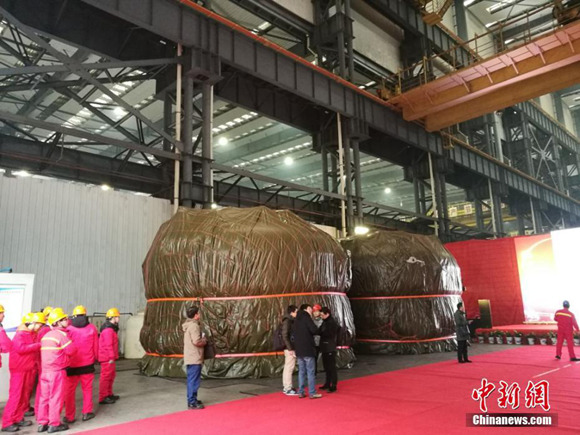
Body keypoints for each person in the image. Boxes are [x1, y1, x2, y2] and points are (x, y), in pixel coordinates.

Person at [37, 308, 77, 433]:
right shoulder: (61, 335)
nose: (67, 321)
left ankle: (42, 423)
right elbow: (72, 350)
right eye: (65, 319)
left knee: (44, 397)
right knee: (56, 397)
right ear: (58, 322)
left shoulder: (46, 336)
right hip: (57, 371)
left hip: (45, 371)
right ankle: (54, 424)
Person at [1, 313, 42, 433]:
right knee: (16, 396)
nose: (39, 326)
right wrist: (38, 345)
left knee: (24, 396)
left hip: (28, 368)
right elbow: (20, 349)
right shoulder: (20, 335)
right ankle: (7, 422)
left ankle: (18, 418)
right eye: (37, 324)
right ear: (30, 323)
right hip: (19, 370)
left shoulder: (31, 334)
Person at [63, 306, 98, 423]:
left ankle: (69, 416)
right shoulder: (92, 328)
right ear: (85, 315)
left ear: (73, 315)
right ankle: (87, 413)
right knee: (87, 389)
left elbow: (66, 347)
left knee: (69, 391)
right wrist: (96, 358)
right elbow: (96, 346)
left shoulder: (69, 329)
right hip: (87, 364)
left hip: (72, 364)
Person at [292, 304, 322, 399]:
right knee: (310, 371)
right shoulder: (307, 318)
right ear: (306, 309)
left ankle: (301, 392)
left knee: (301, 371)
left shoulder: (296, 320)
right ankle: (312, 393)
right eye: (310, 309)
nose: (311, 311)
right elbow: (314, 330)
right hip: (308, 348)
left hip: (299, 350)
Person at [183, 305, 207, 410]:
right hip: (195, 356)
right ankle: (192, 402)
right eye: (199, 313)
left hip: (190, 356)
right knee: (194, 380)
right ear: (196, 315)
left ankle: (192, 399)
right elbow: (196, 341)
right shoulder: (194, 326)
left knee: (191, 379)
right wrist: (204, 341)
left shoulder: (188, 325)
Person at [31, 307, 53, 418]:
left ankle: (39, 410)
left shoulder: (44, 329)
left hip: (42, 360)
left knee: (43, 386)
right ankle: (40, 411)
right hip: (44, 361)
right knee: (43, 387)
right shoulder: (46, 330)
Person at [98, 308, 120, 405]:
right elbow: (108, 345)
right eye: (117, 317)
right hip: (107, 358)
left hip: (109, 358)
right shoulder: (108, 330)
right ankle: (103, 397)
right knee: (106, 377)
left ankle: (109, 394)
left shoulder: (111, 329)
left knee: (111, 376)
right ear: (113, 318)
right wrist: (111, 357)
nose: (118, 318)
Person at [319, 307, 339, 393]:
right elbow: (319, 331)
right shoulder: (325, 322)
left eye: (322, 315)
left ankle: (333, 384)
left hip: (330, 347)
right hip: (325, 347)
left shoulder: (332, 323)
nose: (321, 316)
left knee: (331, 367)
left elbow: (329, 334)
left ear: (327, 314)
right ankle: (327, 383)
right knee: (326, 367)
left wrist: (321, 333)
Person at [281, 305, 298, 396]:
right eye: (296, 312)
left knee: (289, 367)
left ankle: (288, 387)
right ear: (292, 312)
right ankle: (287, 388)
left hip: (290, 347)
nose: (297, 314)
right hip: (289, 348)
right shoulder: (287, 321)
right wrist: (290, 348)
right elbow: (285, 335)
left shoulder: (289, 320)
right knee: (289, 367)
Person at [312, 304, 323, 374]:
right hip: (314, 342)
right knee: (314, 358)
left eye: (317, 311)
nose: (315, 313)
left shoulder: (323, 321)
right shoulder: (311, 321)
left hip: (321, 341)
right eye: (314, 311)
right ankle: (314, 371)